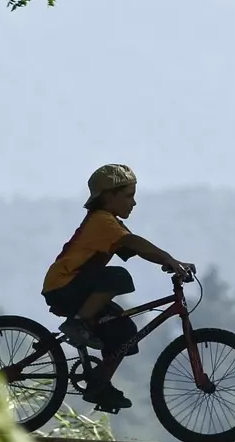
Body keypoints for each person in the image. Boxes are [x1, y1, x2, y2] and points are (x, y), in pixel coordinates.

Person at [41, 163, 194, 413]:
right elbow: (133, 243)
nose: (133, 203)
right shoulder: (101, 221)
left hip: (80, 288)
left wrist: (168, 262)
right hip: (64, 285)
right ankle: (79, 322)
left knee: (124, 330)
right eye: (128, 196)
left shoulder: (111, 224)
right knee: (118, 277)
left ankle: (99, 382)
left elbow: (136, 248)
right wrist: (169, 258)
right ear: (108, 196)